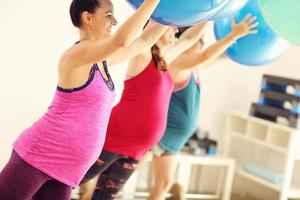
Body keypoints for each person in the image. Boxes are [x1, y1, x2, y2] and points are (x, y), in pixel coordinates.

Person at [79, 13, 259, 200]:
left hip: (135, 149)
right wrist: (232, 35)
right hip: (116, 138)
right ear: (156, 28)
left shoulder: (165, 60)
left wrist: (212, 13)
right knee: (70, 180)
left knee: (105, 196)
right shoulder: (142, 54)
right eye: (171, 26)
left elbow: (189, 38)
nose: (175, 30)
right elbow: (148, 35)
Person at [0, 0, 163, 199]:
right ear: (88, 18)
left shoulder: (102, 60)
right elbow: (121, 40)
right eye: (108, 15)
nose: (115, 21)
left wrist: (169, 16)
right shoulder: (76, 55)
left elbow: (144, 42)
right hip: (38, 156)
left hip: (66, 170)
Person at [148, 15, 259, 200]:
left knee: (163, 183)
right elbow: (207, 55)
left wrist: (243, 41)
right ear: (184, 41)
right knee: (125, 173)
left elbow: (219, 56)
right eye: (198, 40)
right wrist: (231, 35)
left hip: (173, 142)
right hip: (161, 138)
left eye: (202, 41)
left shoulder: (194, 67)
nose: (201, 44)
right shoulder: (178, 62)